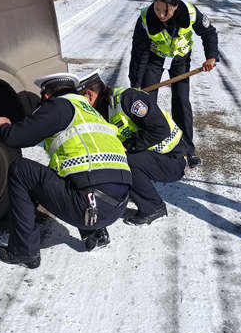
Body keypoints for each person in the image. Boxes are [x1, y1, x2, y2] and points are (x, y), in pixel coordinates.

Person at [0, 73, 132, 268]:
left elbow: (17, 137)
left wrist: (5, 127)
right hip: (118, 206)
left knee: (21, 170)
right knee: (75, 172)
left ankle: (24, 251)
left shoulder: (59, 106)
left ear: (47, 96)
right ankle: (96, 234)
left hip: (91, 208)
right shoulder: (91, 112)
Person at [80, 72, 188, 225]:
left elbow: (160, 129)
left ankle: (153, 207)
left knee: (124, 160)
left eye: (79, 100)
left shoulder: (128, 99)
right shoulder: (102, 110)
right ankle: (135, 188)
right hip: (153, 157)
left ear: (89, 95)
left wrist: (128, 146)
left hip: (173, 159)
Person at [128, 0, 218, 168]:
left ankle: (187, 150)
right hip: (154, 58)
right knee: (145, 102)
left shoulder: (191, 12)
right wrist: (136, 83)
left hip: (180, 60)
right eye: (157, 9)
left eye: (165, 10)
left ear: (176, 6)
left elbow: (209, 32)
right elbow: (138, 52)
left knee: (181, 101)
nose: (160, 15)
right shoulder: (146, 18)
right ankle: (145, 146)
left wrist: (211, 56)